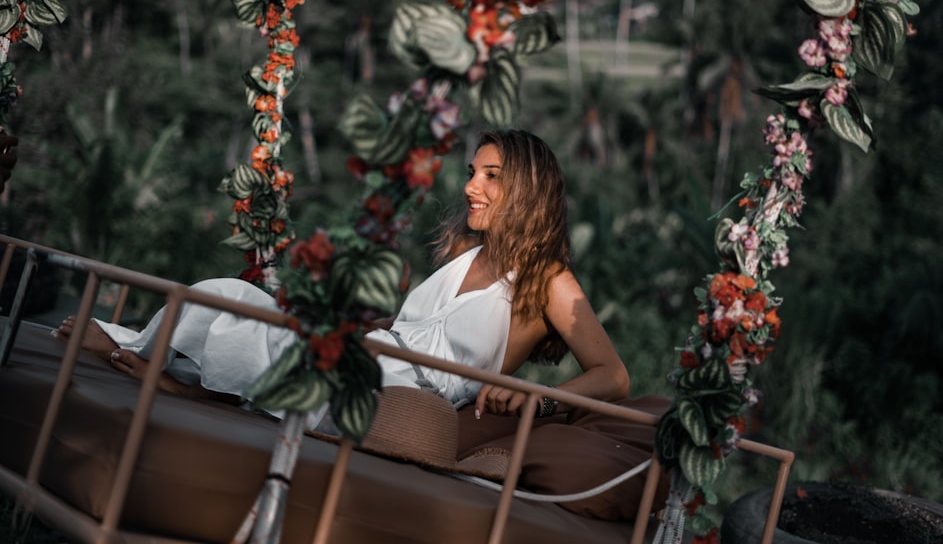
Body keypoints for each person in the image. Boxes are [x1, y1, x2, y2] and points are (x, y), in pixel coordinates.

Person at [54, 129, 630, 422]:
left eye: (491, 176)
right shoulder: (464, 248)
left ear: (526, 188)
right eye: (473, 172)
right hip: (375, 353)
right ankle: (155, 354)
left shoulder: (548, 281)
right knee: (228, 294)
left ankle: (177, 377)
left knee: (278, 340)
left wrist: (538, 400)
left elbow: (613, 375)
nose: (470, 186)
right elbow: (409, 327)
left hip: (406, 393)